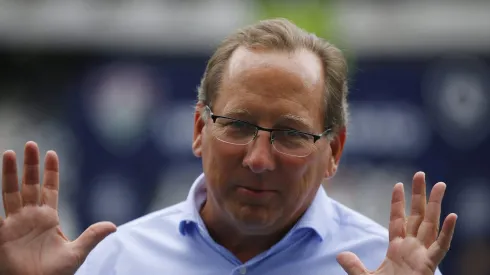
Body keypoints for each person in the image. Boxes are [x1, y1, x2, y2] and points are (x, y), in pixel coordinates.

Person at [0, 18, 457, 275]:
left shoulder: (389, 268)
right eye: (236, 126)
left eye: (291, 135)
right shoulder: (114, 263)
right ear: (199, 129)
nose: (258, 159)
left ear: (333, 151)